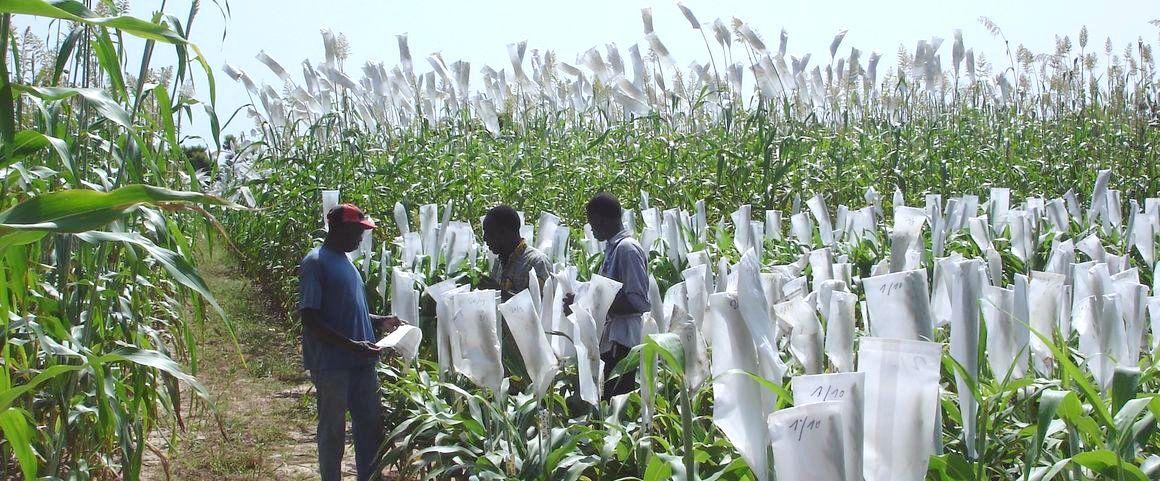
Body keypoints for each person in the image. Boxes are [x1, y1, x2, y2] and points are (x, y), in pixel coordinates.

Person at [299, 203, 401, 481]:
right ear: (339, 228)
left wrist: (379, 321)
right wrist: (353, 345)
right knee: (333, 432)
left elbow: (348, 309)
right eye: (357, 231)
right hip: (333, 365)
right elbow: (310, 317)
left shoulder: (346, 263)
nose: (361, 238)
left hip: (361, 363)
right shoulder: (316, 262)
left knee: (370, 428)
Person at [585, 193, 650, 399]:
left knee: (618, 399)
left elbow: (639, 301)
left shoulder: (627, 249)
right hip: (611, 341)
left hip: (623, 344)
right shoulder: (613, 247)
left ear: (603, 220)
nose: (591, 228)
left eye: (592, 222)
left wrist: (598, 300)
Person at [481, 204, 551, 301]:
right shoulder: (499, 261)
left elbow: (541, 306)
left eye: (489, 233)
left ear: (503, 232)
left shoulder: (537, 262)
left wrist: (499, 292)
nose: (485, 238)